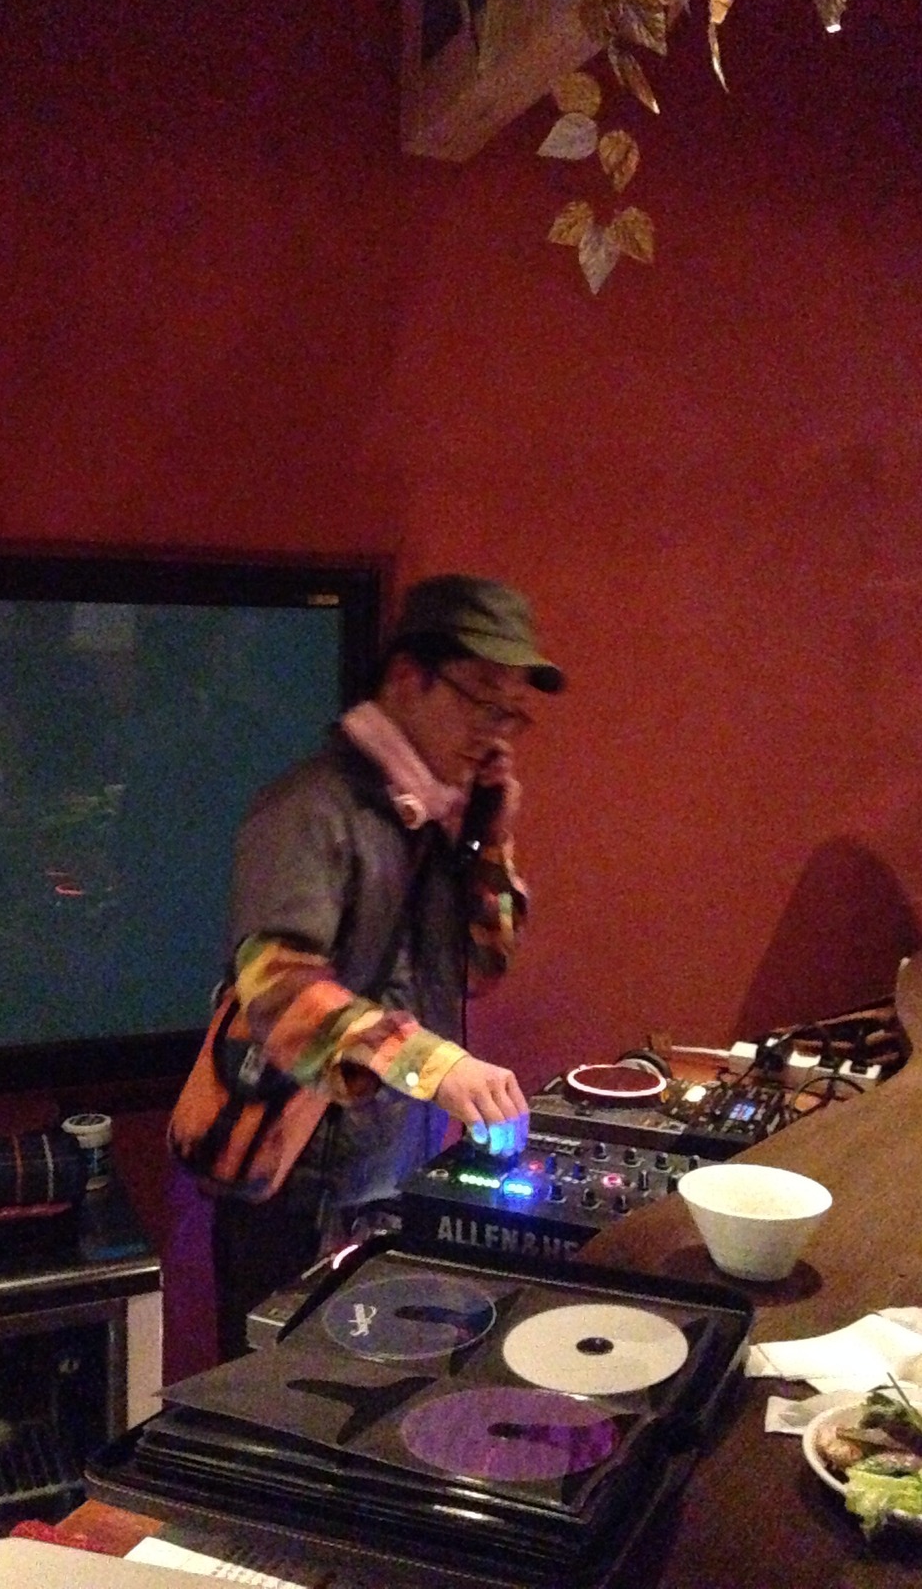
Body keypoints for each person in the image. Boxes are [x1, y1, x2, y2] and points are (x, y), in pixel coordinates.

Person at [209, 574, 564, 1360]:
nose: (494, 733)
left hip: (397, 1168)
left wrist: (489, 840)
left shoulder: (436, 814)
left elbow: (483, 967)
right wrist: (437, 1066)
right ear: (408, 678)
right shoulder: (312, 807)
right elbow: (274, 993)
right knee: (285, 1396)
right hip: (302, 1189)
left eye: (510, 714)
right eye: (482, 701)